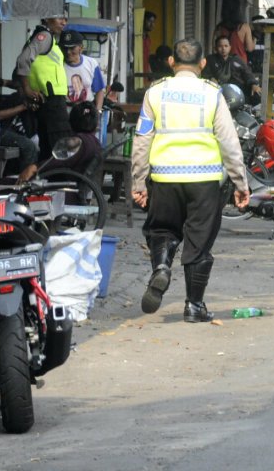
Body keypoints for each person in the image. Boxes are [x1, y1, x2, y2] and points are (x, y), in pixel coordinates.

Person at [131, 39, 251, 323]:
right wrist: (240, 183)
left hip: (164, 177)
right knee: (199, 241)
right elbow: (229, 142)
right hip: (205, 179)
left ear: (171, 62)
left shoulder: (155, 92)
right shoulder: (212, 93)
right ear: (203, 63)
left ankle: (161, 267)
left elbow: (141, 140)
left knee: (162, 229)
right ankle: (194, 306)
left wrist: (138, 183)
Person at [14, 11, 72, 160]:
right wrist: (26, 89)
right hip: (51, 102)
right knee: (60, 147)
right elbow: (23, 61)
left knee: (49, 148)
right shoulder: (44, 36)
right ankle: (60, 180)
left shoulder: (47, 37)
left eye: (65, 19)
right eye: (60, 18)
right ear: (47, 18)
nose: (64, 22)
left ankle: (52, 180)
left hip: (50, 101)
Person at [0, 72, 38, 175]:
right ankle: (24, 184)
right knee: (29, 147)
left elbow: (8, 82)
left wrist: (26, 88)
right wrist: (23, 106)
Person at [60, 30, 106, 109]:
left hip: (87, 110)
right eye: (65, 48)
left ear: (81, 48)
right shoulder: (58, 65)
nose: (68, 52)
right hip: (65, 111)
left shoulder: (91, 63)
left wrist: (98, 111)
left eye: (72, 48)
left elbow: (99, 90)